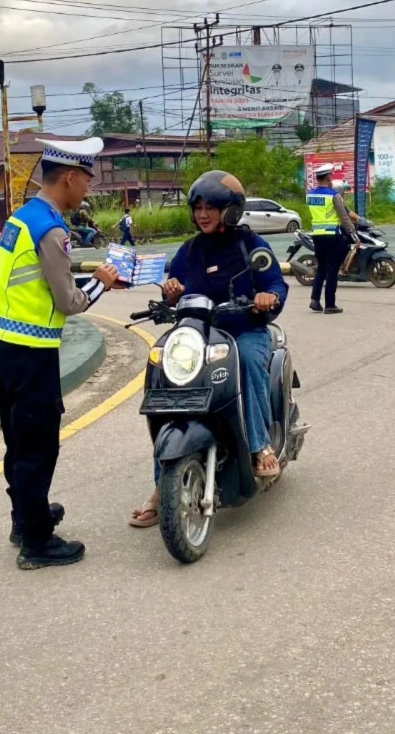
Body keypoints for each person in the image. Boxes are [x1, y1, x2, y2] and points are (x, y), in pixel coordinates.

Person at [128, 171, 288, 529]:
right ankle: (162, 484)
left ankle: (259, 445)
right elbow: (176, 288)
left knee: (247, 360)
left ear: (231, 210)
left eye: (211, 208)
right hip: (199, 336)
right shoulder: (189, 250)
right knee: (165, 373)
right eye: (198, 207)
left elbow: (275, 283)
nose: (202, 214)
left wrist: (268, 297)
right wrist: (172, 293)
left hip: (245, 331)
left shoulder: (252, 245)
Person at [0, 136, 121, 570]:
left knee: (17, 439)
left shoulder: (23, 217)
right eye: (87, 179)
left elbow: (39, 280)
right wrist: (101, 282)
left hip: (5, 343)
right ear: (69, 178)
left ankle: (25, 516)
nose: (88, 188)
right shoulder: (52, 229)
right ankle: (37, 542)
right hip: (32, 351)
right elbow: (68, 302)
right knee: (37, 446)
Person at [306, 165, 357, 314]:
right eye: (331, 175)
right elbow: (344, 217)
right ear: (328, 177)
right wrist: (354, 235)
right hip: (332, 235)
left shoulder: (310, 195)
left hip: (317, 235)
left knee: (321, 267)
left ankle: (315, 300)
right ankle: (330, 305)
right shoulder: (334, 195)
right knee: (333, 270)